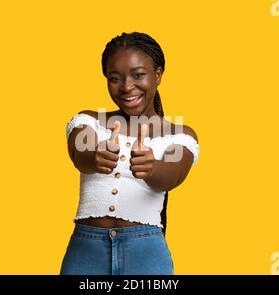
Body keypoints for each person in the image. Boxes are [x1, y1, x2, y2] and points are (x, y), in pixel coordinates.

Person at [60, 32, 200, 275]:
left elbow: (174, 174)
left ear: (157, 75)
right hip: (86, 251)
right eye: (115, 78)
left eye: (138, 75)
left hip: (146, 252)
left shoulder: (179, 134)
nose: (126, 87)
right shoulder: (89, 121)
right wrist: (94, 156)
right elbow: (79, 151)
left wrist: (152, 168)